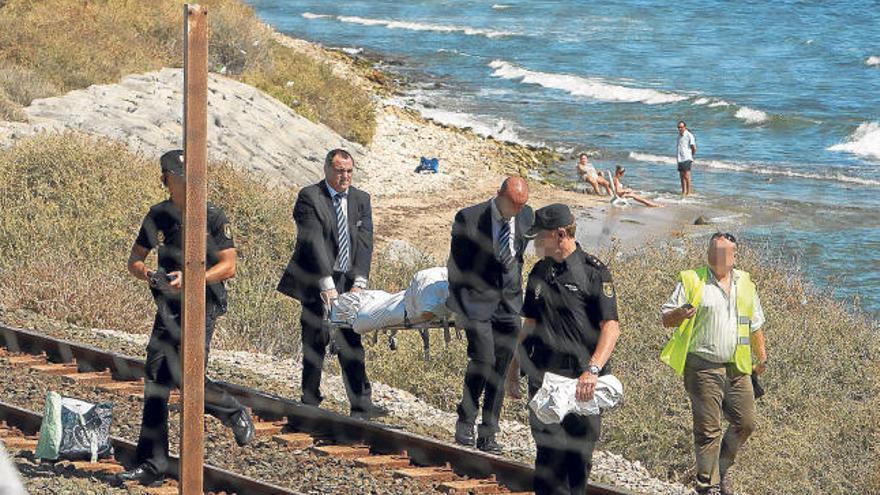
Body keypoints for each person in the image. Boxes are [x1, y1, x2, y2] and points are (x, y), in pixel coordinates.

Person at [118, 150, 255, 487]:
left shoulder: (211, 214)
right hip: (168, 306)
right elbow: (134, 260)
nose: (185, 181)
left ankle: (234, 411)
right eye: (178, 175)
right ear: (165, 177)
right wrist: (150, 275)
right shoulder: (158, 215)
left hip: (204, 303)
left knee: (188, 374)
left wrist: (193, 278)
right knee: (155, 379)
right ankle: (152, 463)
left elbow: (229, 266)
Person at [277, 149, 386, 420]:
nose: (344, 177)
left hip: (347, 280)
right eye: (339, 171)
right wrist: (326, 284)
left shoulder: (361, 199)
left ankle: (361, 405)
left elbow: (365, 242)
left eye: (349, 171)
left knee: (351, 340)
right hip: (316, 278)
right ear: (327, 170)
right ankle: (310, 400)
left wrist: (359, 282)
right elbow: (312, 241)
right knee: (315, 339)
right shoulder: (310, 197)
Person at [519, 203, 620, 495]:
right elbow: (529, 324)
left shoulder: (594, 272)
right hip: (544, 378)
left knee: (578, 459)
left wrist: (593, 370)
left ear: (560, 234)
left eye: (541, 237)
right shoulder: (538, 271)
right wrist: (513, 369)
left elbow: (610, 328)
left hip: (582, 381)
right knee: (548, 458)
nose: (536, 243)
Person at [659, 232, 767, 495]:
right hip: (702, 365)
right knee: (709, 429)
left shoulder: (746, 283)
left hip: (737, 367)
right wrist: (679, 314)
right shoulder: (692, 279)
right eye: (712, 251)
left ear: (734, 256)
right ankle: (708, 484)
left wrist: (761, 356)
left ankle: (722, 468)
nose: (716, 257)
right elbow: (666, 319)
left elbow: (755, 324)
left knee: (746, 423)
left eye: (722, 252)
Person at [447, 176, 533, 453]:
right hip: (476, 303)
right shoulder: (469, 218)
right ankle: (465, 419)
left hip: (509, 305)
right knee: (482, 360)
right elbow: (456, 268)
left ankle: (489, 433)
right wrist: (460, 309)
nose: (517, 211)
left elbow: (519, 255)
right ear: (499, 195)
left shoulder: (525, 216)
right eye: (513, 205)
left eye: (522, 205)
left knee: (500, 368)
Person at [676, 120, 697, 196]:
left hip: (687, 157)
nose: (680, 129)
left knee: (687, 175)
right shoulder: (679, 136)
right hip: (680, 158)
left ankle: (688, 192)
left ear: (685, 127)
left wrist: (691, 155)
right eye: (678, 127)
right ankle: (683, 191)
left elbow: (693, 147)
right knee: (681, 176)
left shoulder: (689, 135)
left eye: (681, 127)